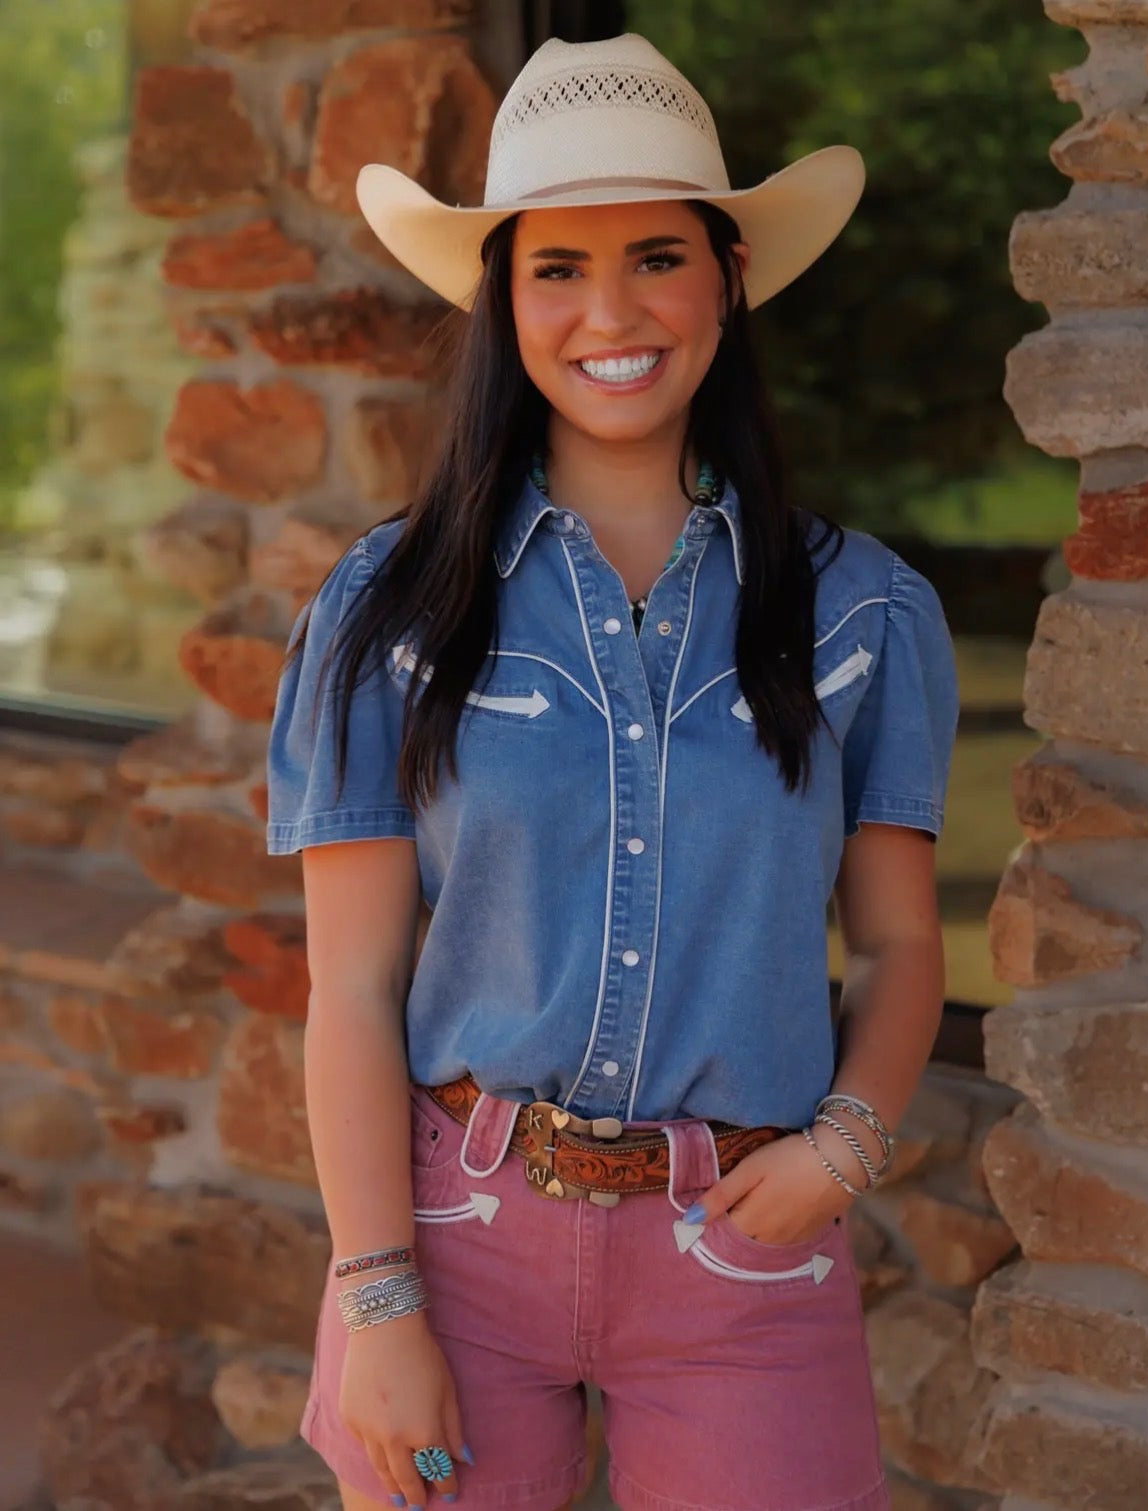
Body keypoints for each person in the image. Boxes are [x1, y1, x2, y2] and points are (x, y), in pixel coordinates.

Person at [266, 31, 960, 1511]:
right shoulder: (392, 606)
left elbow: (902, 943)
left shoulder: (863, 614)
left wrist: (843, 1149)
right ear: (502, 300)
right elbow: (351, 988)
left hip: (744, 1256)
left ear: (727, 279)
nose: (611, 313)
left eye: (656, 257)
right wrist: (377, 1298)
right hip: (451, 1242)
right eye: (557, 269)